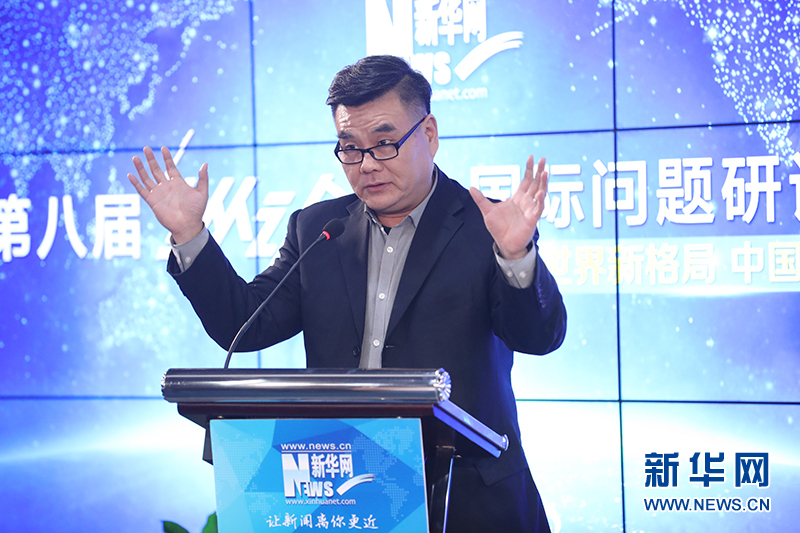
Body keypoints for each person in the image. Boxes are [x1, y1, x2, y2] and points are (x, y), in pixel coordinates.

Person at [129, 55, 566, 532]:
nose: (367, 165)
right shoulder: (318, 228)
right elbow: (243, 323)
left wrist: (516, 256)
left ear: (429, 133)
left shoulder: (490, 227)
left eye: (384, 143)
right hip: (347, 498)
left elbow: (537, 336)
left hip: (466, 502)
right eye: (350, 148)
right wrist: (189, 234)